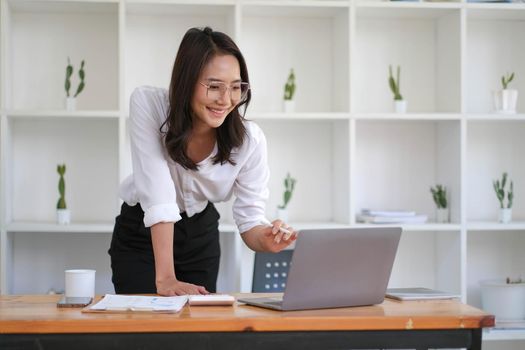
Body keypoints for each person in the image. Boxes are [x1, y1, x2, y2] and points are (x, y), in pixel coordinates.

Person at [108, 26, 297, 296]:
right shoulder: (149, 105)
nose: (226, 99)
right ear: (187, 80)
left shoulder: (249, 140)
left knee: (197, 332)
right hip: (142, 233)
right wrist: (166, 279)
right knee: (144, 329)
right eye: (214, 86)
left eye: (235, 87)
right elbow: (159, 195)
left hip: (200, 235)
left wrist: (266, 238)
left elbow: (249, 218)